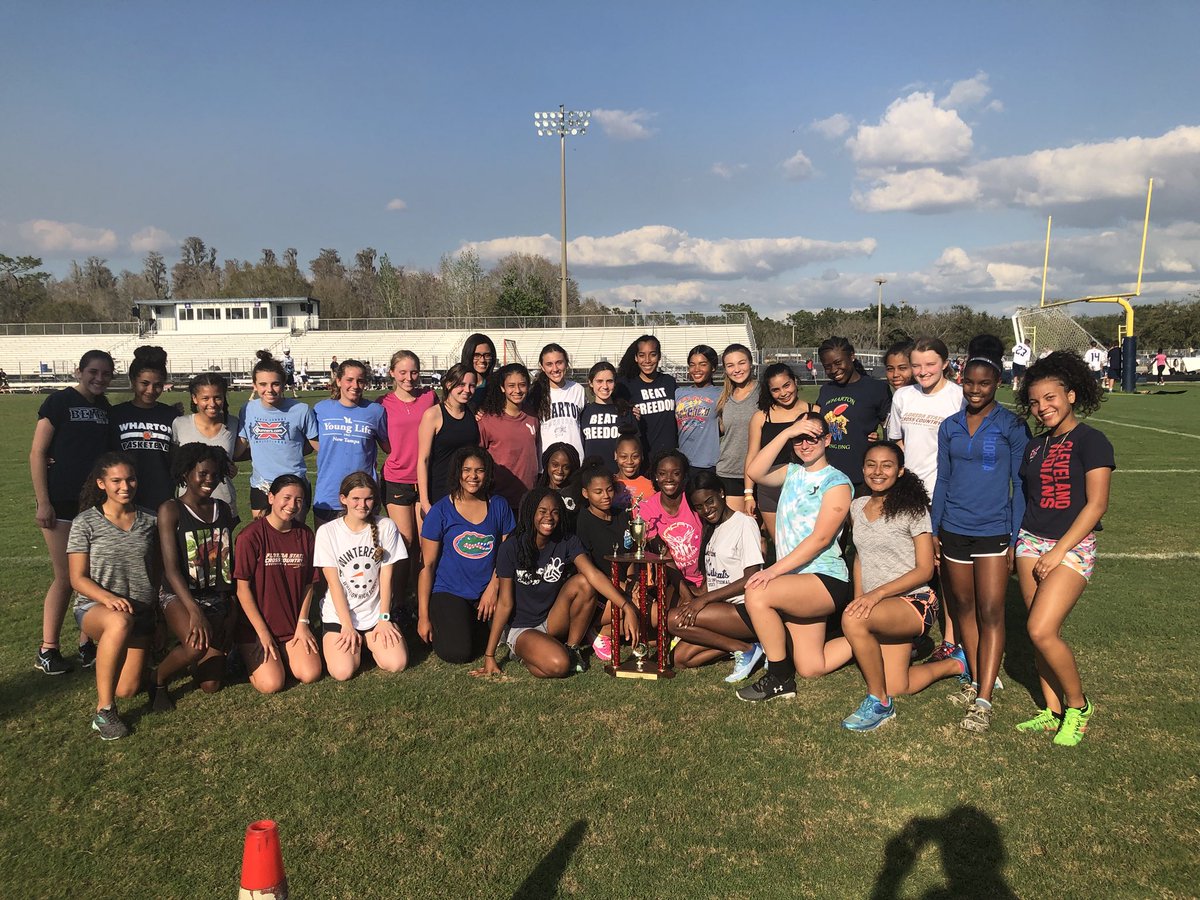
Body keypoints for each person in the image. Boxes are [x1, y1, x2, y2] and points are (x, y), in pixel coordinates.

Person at [1013, 351, 1114, 747]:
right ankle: (1051, 710)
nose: (1042, 408)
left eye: (1050, 398)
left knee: (1042, 629)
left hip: (1071, 547)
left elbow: (1097, 504)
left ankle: (1078, 706)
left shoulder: (1092, 440)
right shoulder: (1034, 448)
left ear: (1071, 395)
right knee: (1037, 630)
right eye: (1035, 402)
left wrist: (1058, 552)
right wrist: (1018, 545)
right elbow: (1027, 500)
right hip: (1029, 543)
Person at [931, 336, 1031, 733]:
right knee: (964, 609)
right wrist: (937, 527)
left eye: (984, 383)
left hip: (993, 531)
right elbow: (943, 479)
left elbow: (1019, 486)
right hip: (953, 529)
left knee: (991, 612)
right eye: (969, 382)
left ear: (997, 384)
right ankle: (975, 682)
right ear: (961, 380)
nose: (975, 389)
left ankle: (985, 700)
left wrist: (1014, 535)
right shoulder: (950, 426)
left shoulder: (1012, 425)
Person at [840, 442, 967, 732]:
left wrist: (876, 595)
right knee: (900, 684)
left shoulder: (914, 509)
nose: (878, 471)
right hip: (879, 606)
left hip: (915, 602)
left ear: (900, 471)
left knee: (854, 621)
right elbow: (860, 556)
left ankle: (879, 702)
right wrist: (859, 598)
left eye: (887, 465)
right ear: (862, 469)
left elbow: (924, 569)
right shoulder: (857, 507)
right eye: (871, 464)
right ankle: (957, 664)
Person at [737, 413, 853, 702]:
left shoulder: (837, 482)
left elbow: (821, 540)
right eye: (800, 439)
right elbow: (755, 471)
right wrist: (787, 432)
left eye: (812, 437)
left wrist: (773, 571)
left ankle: (778, 676)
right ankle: (879, 639)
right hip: (796, 581)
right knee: (813, 666)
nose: (805, 444)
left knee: (757, 592)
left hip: (825, 578)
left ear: (827, 440)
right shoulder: (791, 472)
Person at [475, 489, 637, 677]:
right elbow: (505, 603)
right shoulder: (511, 547)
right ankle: (521, 652)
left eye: (555, 512)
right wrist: (489, 654)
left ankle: (572, 648)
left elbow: (593, 574)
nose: (549, 517)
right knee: (558, 666)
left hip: (552, 619)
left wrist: (626, 606)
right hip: (522, 626)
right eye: (542, 511)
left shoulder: (567, 541)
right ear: (530, 512)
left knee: (584, 582)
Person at [31, 349, 114, 675]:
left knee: (93, 576)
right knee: (67, 577)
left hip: (94, 503)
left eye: (106, 374)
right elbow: (38, 453)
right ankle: (47, 649)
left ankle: (86, 643)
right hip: (61, 502)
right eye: (93, 371)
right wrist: (43, 501)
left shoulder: (105, 408)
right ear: (79, 371)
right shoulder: (59, 401)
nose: (99, 378)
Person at [68, 452, 159, 739]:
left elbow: (158, 571)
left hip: (141, 612)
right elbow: (77, 578)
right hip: (96, 608)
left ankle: (123, 663)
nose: (125, 486)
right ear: (101, 484)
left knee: (128, 689)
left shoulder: (150, 520)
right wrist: (107, 598)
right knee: (118, 622)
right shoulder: (85, 522)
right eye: (116, 480)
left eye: (130, 479)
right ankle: (104, 711)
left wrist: (158, 613)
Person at [886, 336, 964, 658]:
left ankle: (951, 640)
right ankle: (912, 631)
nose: (922, 371)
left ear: (945, 363)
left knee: (945, 570)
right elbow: (897, 443)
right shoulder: (903, 396)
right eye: (916, 365)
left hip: (945, 496)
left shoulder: (958, 397)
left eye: (930, 364)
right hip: (909, 498)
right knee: (910, 567)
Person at [151, 443, 237, 710]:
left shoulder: (222, 509)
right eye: (202, 474)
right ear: (186, 473)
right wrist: (195, 611)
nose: (209, 480)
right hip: (179, 594)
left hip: (215, 594)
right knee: (195, 646)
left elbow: (226, 561)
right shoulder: (171, 509)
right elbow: (170, 568)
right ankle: (157, 679)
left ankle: (193, 658)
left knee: (211, 685)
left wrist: (232, 606)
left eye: (214, 474)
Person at [418, 447, 515, 664]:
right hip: (450, 590)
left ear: (487, 473)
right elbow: (428, 566)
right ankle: (449, 619)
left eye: (479, 470)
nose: (473, 476)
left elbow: (507, 554)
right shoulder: (441, 511)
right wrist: (423, 616)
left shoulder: (499, 505)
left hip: (488, 590)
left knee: (504, 633)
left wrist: (493, 587)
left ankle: (474, 624)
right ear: (457, 473)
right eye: (467, 470)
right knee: (458, 653)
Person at [668, 473, 765, 681]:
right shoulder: (711, 528)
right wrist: (690, 592)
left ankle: (745, 647)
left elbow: (752, 577)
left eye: (709, 502)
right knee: (680, 658)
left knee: (674, 620)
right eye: (699, 507)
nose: (706, 510)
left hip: (744, 608)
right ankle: (750, 646)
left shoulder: (744, 524)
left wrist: (703, 600)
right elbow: (714, 579)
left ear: (721, 493)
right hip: (720, 612)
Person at [234, 474, 323, 693]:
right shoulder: (251, 536)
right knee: (271, 684)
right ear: (271, 498)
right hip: (257, 628)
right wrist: (262, 632)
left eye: (299, 500)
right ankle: (243, 656)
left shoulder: (305, 535)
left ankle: (283, 653)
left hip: (292, 627)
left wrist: (302, 623)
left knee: (310, 674)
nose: (292, 505)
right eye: (287, 497)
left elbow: (309, 583)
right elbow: (242, 589)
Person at [316, 473, 408, 680]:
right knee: (342, 671)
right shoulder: (327, 532)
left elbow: (387, 576)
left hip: (375, 614)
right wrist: (347, 625)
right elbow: (334, 582)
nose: (362, 504)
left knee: (397, 663)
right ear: (343, 499)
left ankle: (369, 639)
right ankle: (357, 643)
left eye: (368, 498)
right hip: (340, 615)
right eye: (355, 499)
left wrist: (384, 618)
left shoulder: (386, 526)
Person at [379, 350, 438, 605]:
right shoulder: (382, 403)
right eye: (402, 372)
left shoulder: (430, 397)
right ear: (392, 372)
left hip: (426, 479)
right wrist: (399, 453)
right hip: (397, 479)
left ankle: (421, 599)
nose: (409, 378)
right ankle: (399, 600)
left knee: (426, 545)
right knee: (404, 543)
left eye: (414, 372)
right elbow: (381, 439)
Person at [237, 351, 319, 521]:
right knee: (263, 538)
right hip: (261, 485)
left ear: (283, 384)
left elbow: (317, 445)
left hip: (294, 484)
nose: (269, 389)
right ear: (255, 385)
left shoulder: (301, 410)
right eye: (263, 384)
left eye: (275, 384)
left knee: (294, 539)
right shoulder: (248, 409)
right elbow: (240, 445)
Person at [313, 359, 389, 526]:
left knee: (364, 550)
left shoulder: (375, 411)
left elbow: (388, 447)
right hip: (328, 494)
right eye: (349, 380)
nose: (355, 385)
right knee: (327, 550)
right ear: (339, 381)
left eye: (360, 380)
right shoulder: (321, 409)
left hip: (363, 496)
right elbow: (312, 442)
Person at [574, 461, 634, 662]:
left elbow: (633, 553)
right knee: (639, 606)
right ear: (585, 493)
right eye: (598, 492)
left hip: (626, 586)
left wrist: (632, 582)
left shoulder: (624, 515)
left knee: (646, 605)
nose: (606, 496)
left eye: (609, 490)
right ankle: (599, 630)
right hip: (600, 590)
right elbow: (589, 570)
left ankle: (613, 628)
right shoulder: (583, 521)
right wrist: (621, 585)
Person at [746, 363, 813, 540]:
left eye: (786, 385)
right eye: (775, 390)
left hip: (804, 490)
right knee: (781, 547)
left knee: (805, 544)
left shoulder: (814, 411)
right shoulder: (761, 417)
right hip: (769, 492)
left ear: (795, 382)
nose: (783, 393)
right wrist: (748, 494)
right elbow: (752, 456)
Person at [816, 336, 891, 494]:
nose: (834, 370)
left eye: (838, 363)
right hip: (829, 476)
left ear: (852, 356)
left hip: (863, 479)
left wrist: (879, 441)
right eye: (827, 366)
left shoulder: (876, 388)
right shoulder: (826, 390)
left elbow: (890, 429)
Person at [109, 345, 178, 513]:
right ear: (133, 381)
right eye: (144, 383)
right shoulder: (116, 414)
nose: (151, 390)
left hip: (161, 499)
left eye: (158, 385)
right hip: (124, 499)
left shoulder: (172, 415)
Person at [172, 372, 238, 518]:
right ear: (194, 399)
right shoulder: (180, 424)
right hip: (188, 506)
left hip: (224, 504)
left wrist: (233, 467)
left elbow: (238, 454)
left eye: (217, 397)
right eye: (205, 398)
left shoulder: (234, 423)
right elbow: (175, 459)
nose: (212, 404)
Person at [639, 449, 704, 595]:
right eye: (662, 473)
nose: (669, 478)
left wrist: (704, 587)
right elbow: (663, 554)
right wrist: (685, 594)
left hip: (706, 579)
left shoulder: (694, 500)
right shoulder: (646, 508)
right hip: (673, 581)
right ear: (655, 476)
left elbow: (711, 542)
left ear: (684, 476)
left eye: (676, 473)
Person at [417, 364, 479, 513]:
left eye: (471, 386)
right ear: (449, 384)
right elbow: (423, 460)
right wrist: (425, 501)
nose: (467, 390)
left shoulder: (473, 412)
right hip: (439, 491)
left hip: (466, 491)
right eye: (461, 384)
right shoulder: (433, 414)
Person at [477, 363, 539, 513]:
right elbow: (477, 458)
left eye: (522, 385)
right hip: (499, 500)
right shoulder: (487, 420)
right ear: (502, 388)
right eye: (511, 385)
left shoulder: (533, 415)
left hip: (528, 499)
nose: (517, 390)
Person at [616, 334, 677, 456]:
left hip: (669, 458)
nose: (647, 360)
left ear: (659, 356)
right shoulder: (626, 385)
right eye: (642, 355)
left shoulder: (669, 382)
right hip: (641, 458)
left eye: (653, 354)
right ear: (636, 358)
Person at [715, 343, 758, 515]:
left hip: (760, 471)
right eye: (730, 365)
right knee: (738, 531)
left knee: (760, 536)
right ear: (725, 369)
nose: (737, 369)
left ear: (751, 363)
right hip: (730, 472)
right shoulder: (724, 397)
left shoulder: (764, 392)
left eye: (742, 363)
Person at [527, 343, 585, 457]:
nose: (555, 369)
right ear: (542, 367)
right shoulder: (534, 393)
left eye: (559, 363)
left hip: (576, 462)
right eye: (549, 364)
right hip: (547, 464)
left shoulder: (578, 390)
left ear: (566, 363)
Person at [580, 361, 637, 471]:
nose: (605, 386)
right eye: (599, 381)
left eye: (609, 381)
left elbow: (636, 446)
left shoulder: (626, 411)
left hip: (621, 476)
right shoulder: (584, 412)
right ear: (591, 383)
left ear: (615, 383)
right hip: (593, 478)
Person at [675, 345, 722, 477]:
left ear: (713, 367)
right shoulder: (679, 393)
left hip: (709, 465)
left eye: (702, 364)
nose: (696, 369)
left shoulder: (721, 394)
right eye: (692, 364)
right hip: (683, 464)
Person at [536, 442, 582, 531]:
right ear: (547, 464)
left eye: (566, 467)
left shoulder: (578, 493)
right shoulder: (537, 493)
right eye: (555, 465)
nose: (560, 471)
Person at [613, 434, 654, 512]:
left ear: (642, 456)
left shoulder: (651, 486)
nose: (629, 462)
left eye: (635, 456)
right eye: (623, 456)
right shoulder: (608, 483)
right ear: (616, 455)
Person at [461, 333, 497, 410]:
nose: (482, 360)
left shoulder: (497, 385)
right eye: (476, 355)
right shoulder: (456, 384)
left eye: (487, 355)